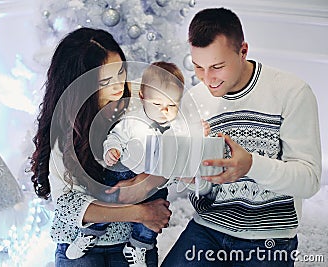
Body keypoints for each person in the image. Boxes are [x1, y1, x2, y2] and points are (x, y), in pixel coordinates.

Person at [161, 7, 322, 266]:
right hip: (208, 229)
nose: (207, 79)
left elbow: (309, 181)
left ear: (243, 51)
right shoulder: (195, 99)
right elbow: (201, 187)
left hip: (270, 238)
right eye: (198, 67)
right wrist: (191, 177)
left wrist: (251, 165)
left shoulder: (292, 92)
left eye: (217, 66)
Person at [30, 27, 171, 267]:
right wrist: (140, 212)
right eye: (106, 81)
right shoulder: (64, 132)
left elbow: (172, 154)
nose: (118, 86)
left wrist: (148, 181)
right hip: (81, 250)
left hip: (132, 248)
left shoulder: (139, 105)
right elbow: (67, 206)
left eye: (120, 72)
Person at [66, 62, 193, 264]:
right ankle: (89, 233)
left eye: (172, 105)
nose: (164, 111)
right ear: (142, 97)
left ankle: (137, 248)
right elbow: (115, 137)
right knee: (108, 199)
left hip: (153, 180)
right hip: (123, 174)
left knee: (152, 220)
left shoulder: (177, 127)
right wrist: (112, 150)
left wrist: (198, 133)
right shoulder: (133, 120)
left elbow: (187, 148)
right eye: (158, 104)